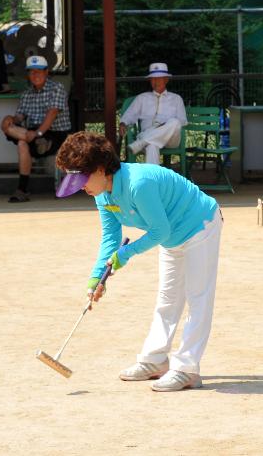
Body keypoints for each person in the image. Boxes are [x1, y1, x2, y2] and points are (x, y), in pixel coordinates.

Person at [54, 131, 222, 392]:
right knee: (168, 298)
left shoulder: (138, 184)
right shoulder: (101, 194)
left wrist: (125, 254)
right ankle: (155, 361)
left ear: (100, 169)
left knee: (197, 297)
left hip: (199, 225)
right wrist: (97, 278)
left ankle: (187, 369)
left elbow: (159, 231)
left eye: (83, 178)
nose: (81, 187)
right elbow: (111, 237)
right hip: (172, 237)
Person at [0, 55, 71, 203]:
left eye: (39, 71)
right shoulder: (27, 93)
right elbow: (20, 116)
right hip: (32, 134)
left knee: (22, 142)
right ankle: (23, 189)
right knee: (10, 129)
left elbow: (52, 114)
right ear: (28, 75)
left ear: (46, 72)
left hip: (55, 133)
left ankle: (22, 188)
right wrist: (10, 119)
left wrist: (38, 133)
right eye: (32, 72)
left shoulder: (57, 88)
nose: (35, 75)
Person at [119, 62, 188, 164]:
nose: (155, 82)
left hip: (171, 138)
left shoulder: (176, 99)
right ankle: (154, 179)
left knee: (175, 122)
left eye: (159, 78)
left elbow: (182, 121)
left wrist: (164, 126)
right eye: (153, 79)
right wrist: (123, 123)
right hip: (147, 132)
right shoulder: (142, 98)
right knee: (152, 145)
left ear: (166, 80)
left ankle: (142, 142)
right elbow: (130, 114)